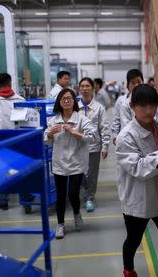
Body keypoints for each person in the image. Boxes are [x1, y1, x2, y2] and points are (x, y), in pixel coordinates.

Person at [116, 84, 158, 277]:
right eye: (143, 106)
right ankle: (128, 269)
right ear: (132, 106)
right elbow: (138, 168)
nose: (149, 111)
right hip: (140, 198)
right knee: (133, 240)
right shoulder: (126, 137)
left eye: (153, 105)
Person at [44, 89, 96, 239]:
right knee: (60, 196)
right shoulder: (53, 121)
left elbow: (92, 137)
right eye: (63, 99)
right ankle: (60, 225)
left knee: (73, 193)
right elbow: (45, 139)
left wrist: (74, 132)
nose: (66, 101)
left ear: (74, 101)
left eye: (69, 98)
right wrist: (49, 133)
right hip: (59, 162)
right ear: (59, 102)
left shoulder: (81, 119)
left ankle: (77, 214)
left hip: (77, 162)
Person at [0, 72, 26, 210]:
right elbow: (26, 119)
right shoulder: (20, 99)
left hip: (1, 137)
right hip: (18, 137)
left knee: (3, 169)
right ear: (10, 82)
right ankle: (26, 196)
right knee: (21, 166)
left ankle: (3, 201)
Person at [78, 77, 111, 212]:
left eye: (88, 86)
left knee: (92, 174)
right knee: (78, 172)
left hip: (94, 146)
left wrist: (105, 146)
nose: (85, 89)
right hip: (77, 147)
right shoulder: (74, 107)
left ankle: (90, 197)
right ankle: (86, 190)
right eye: (82, 86)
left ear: (93, 89)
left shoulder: (99, 108)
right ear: (79, 89)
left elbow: (104, 127)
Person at [111, 69, 144, 144]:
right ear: (127, 85)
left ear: (143, 83)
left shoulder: (147, 100)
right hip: (126, 139)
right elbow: (116, 120)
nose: (136, 85)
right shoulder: (121, 101)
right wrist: (115, 136)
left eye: (139, 82)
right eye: (133, 83)